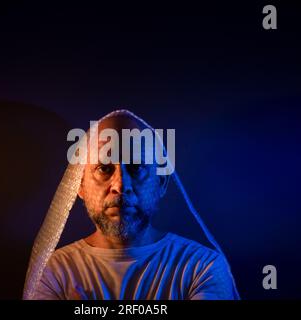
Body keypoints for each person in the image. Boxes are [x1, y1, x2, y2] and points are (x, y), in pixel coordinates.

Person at [27, 110, 239, 300]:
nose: (120, 185)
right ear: (80, 185)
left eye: (136, 167)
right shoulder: (54, 271)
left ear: (161, 183)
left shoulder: (203, 267)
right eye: (103, 169)